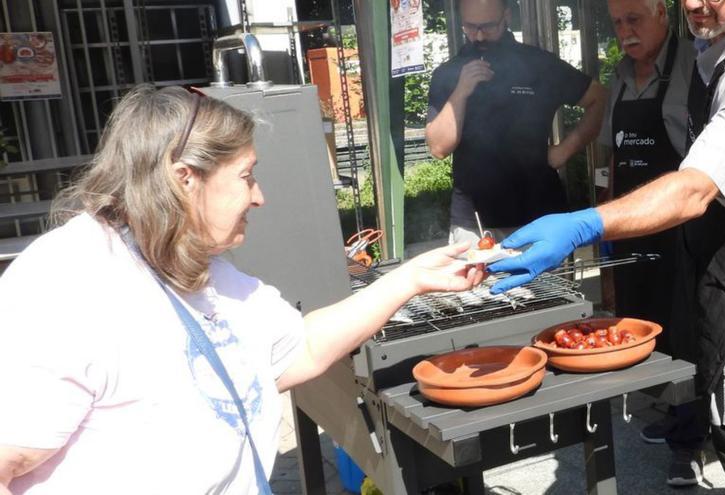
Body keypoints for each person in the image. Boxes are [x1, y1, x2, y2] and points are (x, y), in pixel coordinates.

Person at [0, 85, 484, 494]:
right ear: (183, 179)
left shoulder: (206, 270)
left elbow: (303, 346)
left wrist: (411, 279)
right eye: (246, 176)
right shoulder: (64, 285)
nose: (259, 196)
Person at [488, 0, 725, 492]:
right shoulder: (723, 36)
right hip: (712, 236)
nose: (692, 3)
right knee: (714, 401)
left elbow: (692, 189)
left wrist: (583, 224)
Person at [425, 0, 607, 245]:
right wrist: (461, 91)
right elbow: (438, 148)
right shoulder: (448, 74)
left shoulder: (539, 64)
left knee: (551, 286)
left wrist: (564, 150)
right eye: (470, 27)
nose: (479, 36)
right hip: (474, 223)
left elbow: (598, 98)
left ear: (507, 17)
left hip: (542, 215)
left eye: (488, 26)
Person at [599, 0, 695, 458]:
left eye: (634, 19)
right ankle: (670, 409)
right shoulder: (618, 77)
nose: (625, 31)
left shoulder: (695, 65)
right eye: (618, 23)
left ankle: (689, 437)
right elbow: (609, 160)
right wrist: (604, 225)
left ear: (663, 13)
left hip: (682, 221)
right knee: (643, 316)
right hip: (632, 224)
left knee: (683, 321)